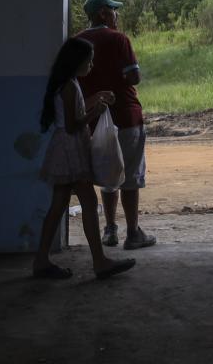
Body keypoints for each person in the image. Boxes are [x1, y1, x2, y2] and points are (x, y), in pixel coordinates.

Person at [33, 36, 136, 280]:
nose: (91, 65)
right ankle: (99, 262)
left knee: (58, 206)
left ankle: (41, 260)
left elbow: (73, 112)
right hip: (71, 148)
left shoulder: (68, 83)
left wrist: (96, 97)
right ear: (76, 61)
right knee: (88, 203)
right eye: (89, 62)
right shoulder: (69, 86)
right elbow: (73, 124)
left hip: (65, 148)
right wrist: (95, 112)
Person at [77, 0, 156, 250]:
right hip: (125, 115)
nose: (116, 15)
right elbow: (133, 78)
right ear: (103, 13)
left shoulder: (77, 41)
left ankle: (110, 230)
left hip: (92, 120)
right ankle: (133, 233)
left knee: (108, 172)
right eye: (113, 10)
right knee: (130, 175)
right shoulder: (119, 39)